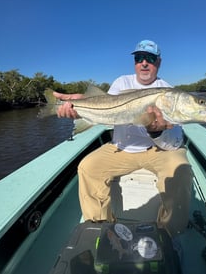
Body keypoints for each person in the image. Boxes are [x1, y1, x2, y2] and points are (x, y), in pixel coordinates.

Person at [54, 40, 193, 237]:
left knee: (181, 171)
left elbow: (175, 142)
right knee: (88, 167)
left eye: (150, 59)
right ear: (135, 62)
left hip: (158, 151)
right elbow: (106, 108)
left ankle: (170, 234)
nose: (144, 63)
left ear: (159, 62)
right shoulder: (121, 82)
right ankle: (99, 230)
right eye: (139, 58)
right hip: (122, 148)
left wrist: (157, 131)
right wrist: (81, 108)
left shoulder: (169, 91)